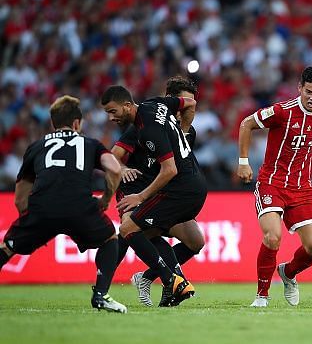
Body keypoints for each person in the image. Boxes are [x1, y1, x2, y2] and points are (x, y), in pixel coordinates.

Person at [0, 95, 127, 313]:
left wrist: (30, 222)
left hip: (41, 208)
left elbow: (20, 197)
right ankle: (100, 295)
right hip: (80, 206)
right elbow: (115, 169)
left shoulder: (36, 146)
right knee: (110, 239)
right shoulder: (90, 144)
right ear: (77, 123)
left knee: (7, 248)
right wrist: (105, 199)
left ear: (53, 123)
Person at [101, 84, 208, 307]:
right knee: (132, 228)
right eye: (181, 102)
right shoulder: (141, 127)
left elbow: (191, 106)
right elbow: (114, 156)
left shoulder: (183, 131)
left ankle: (149, 277)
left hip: (164, 192)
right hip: (137, 191)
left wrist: (185, 126)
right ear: (170, 100)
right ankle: (172, 282)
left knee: (195, 241)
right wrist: (122, 169)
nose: (184, 111)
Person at [237, 66, 312, 307]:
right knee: (273, 237)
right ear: (299, 88)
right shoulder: (282, 112)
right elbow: (246, 124)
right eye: (308, 92)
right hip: (272, 183)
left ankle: (288, 273)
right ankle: (262, 296)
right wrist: (242, 162)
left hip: (302, 188)